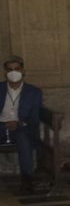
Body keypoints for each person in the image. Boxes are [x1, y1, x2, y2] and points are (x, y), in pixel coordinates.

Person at [0, 56, 44, 194]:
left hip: (22, 127)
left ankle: (27, 179)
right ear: (5, 72)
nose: (14, 72)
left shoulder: (34, 92)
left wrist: (18, 123)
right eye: (10, 69)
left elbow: (34, 118)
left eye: (17, 69)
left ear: (23, 70)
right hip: (1, 126)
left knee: (24, 139)